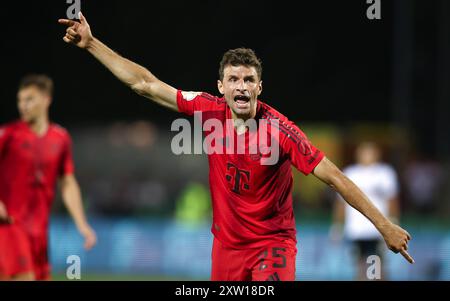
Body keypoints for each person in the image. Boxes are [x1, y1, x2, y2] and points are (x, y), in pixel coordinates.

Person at [58, 12, 413, 281]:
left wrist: (384, 226)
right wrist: (91, 43)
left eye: (248, 80)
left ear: (260, 87)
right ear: (221, 86)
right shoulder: (207, 109)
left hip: (272, 246)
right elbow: (146, 84)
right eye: (234, 79)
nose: (241, 86)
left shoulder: (281, 132)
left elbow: (336, 178)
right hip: (226, 249)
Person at [0, 74, 97, 280]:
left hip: (39, 231)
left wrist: (82, 225)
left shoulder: (60, 138)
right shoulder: (8, 135)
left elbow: (68, 182)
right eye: (20, 100)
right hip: (10, 226)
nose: (23, 106)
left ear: (46, 99)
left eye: (29, 99)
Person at [331, 142, 400, 280]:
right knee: (360, 265)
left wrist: (393, 222)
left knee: (377, 266)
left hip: (378, 228)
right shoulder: (350, 173)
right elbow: (341, 202)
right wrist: (337, 226)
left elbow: (392, 200)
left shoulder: (384, 173)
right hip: (356, 228)